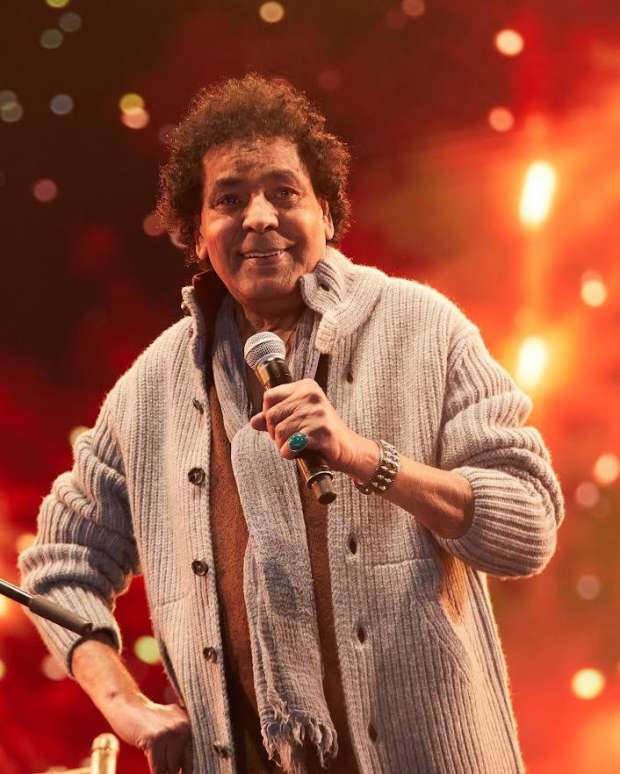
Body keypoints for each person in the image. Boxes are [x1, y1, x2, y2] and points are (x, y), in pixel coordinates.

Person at [19, 73, 564, 774]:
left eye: (284, 192)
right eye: (229, 200)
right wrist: (128, 708)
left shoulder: (424, 329)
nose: (258, 217)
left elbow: (527, 527)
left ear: (327, 214)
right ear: (196, 234)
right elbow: (58, 565)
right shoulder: (149, 390)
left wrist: (367, 458)